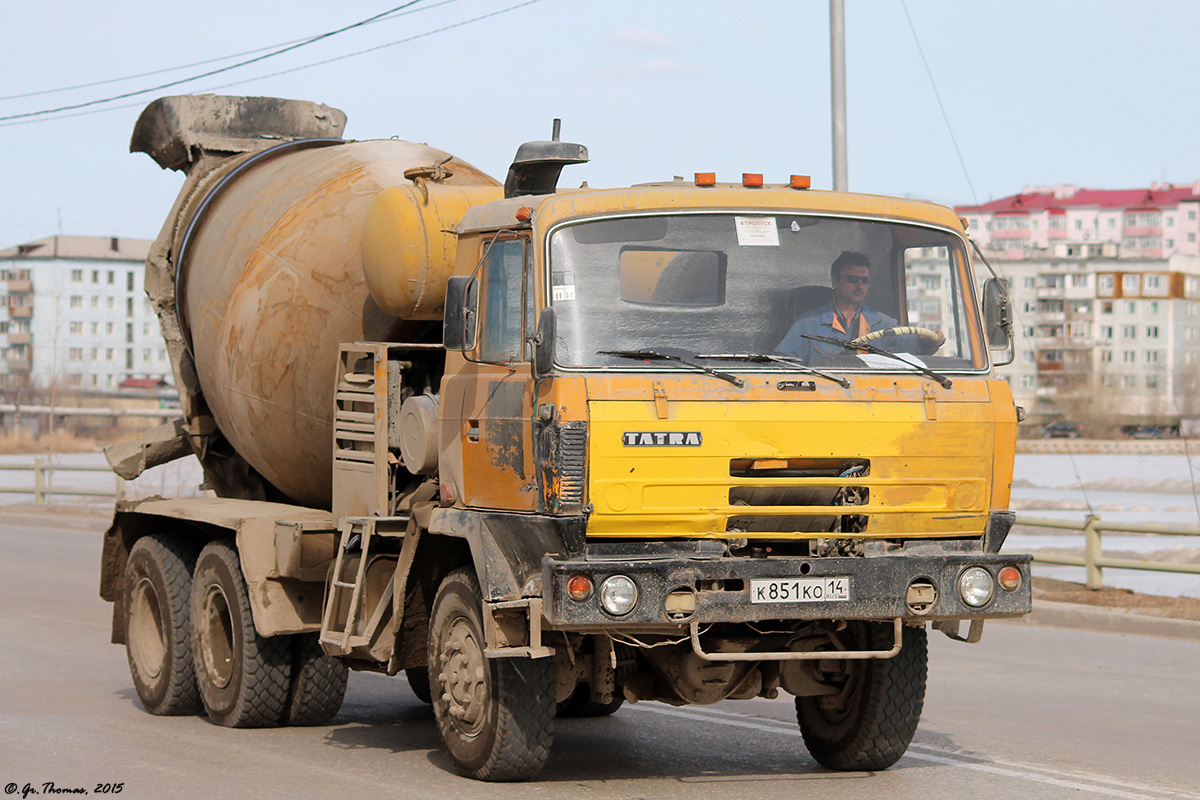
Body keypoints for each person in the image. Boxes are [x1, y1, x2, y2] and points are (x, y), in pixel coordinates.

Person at [775, 250, 945, 363]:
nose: (859, 285)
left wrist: (928, 341)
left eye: (865, 280)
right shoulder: (808, 324)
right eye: (852, 279)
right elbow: (782, 364)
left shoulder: (881, 323)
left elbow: (911, 346)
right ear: (835, 281)